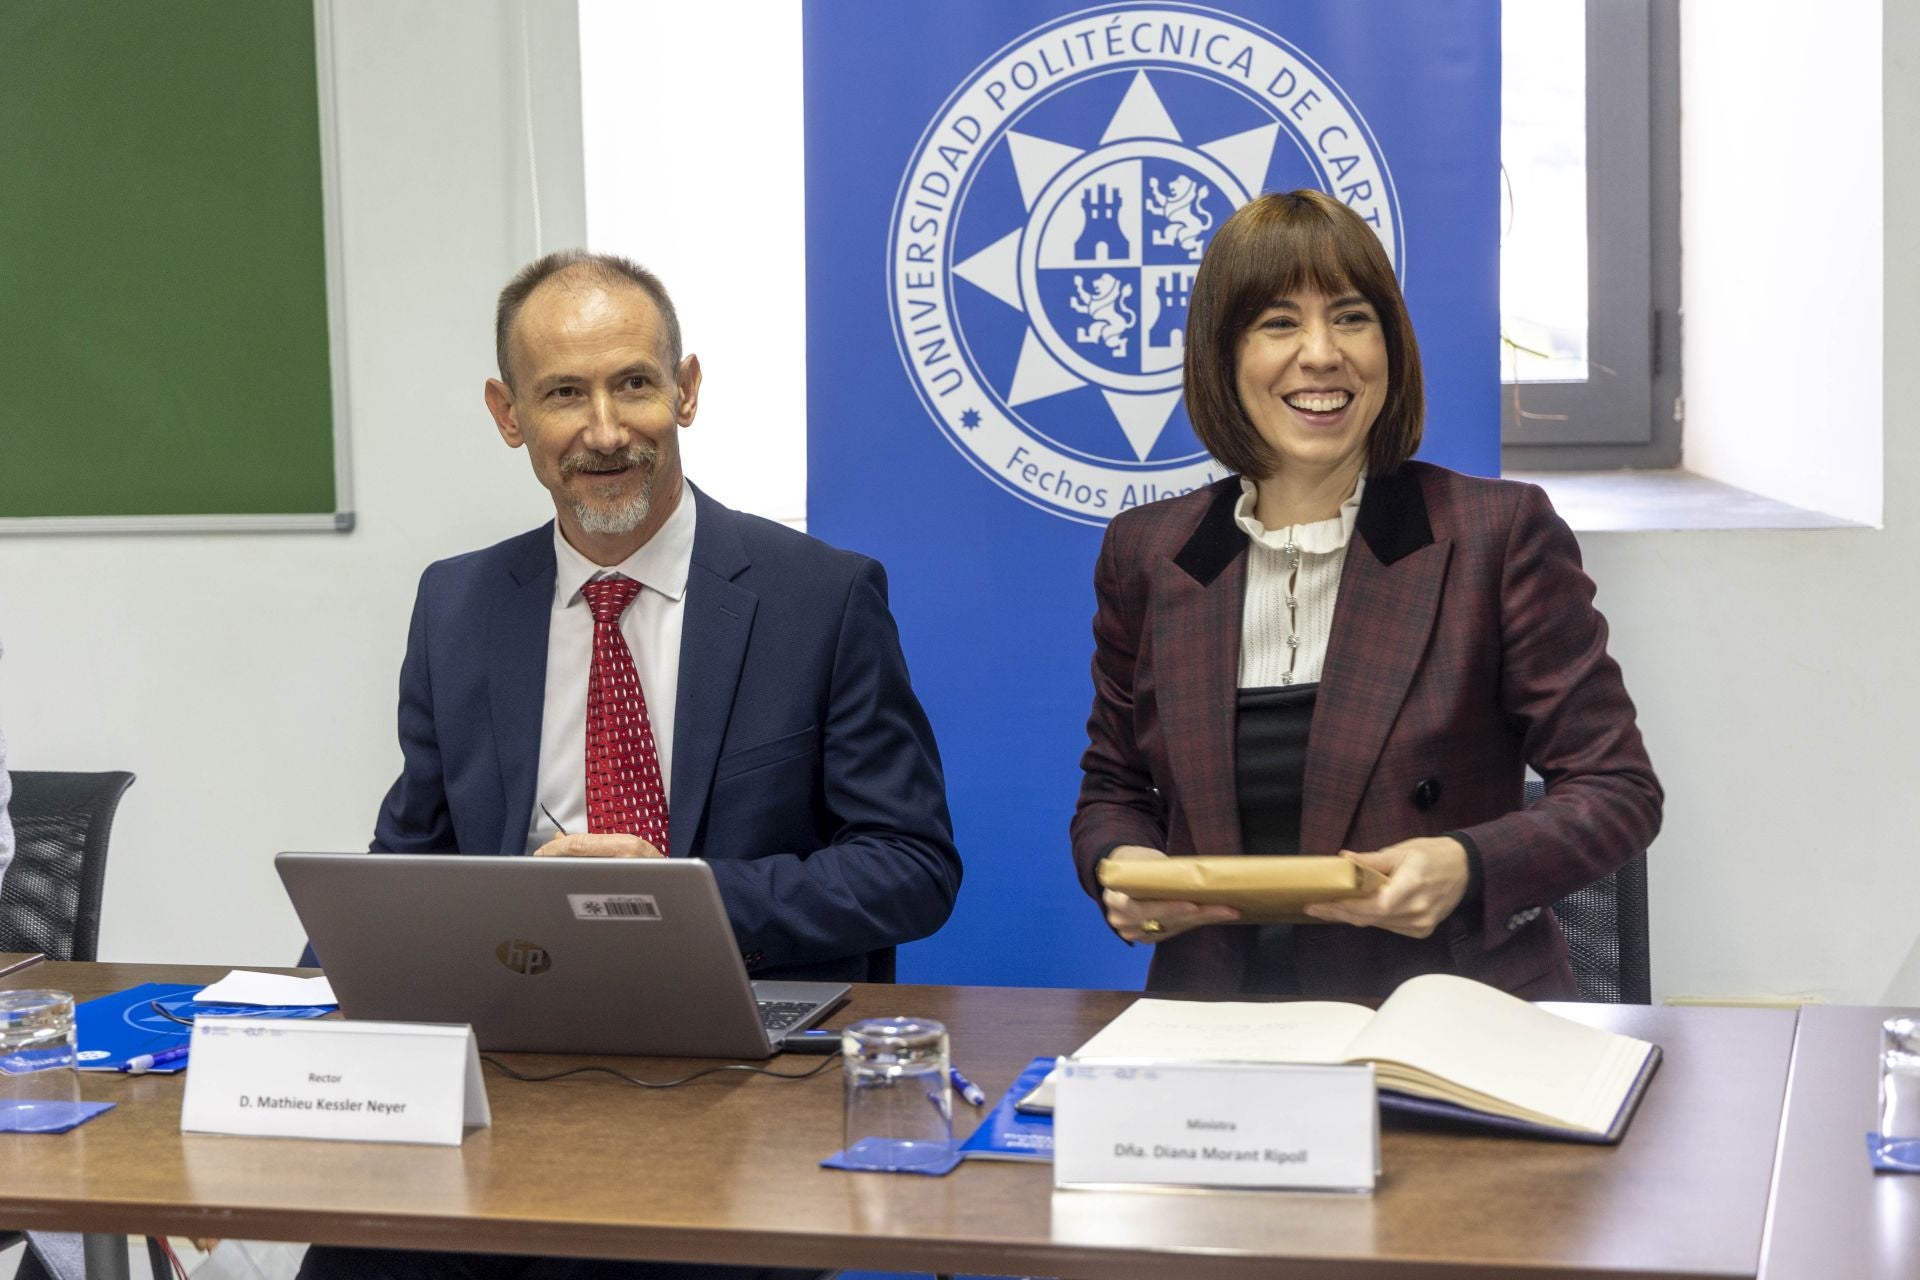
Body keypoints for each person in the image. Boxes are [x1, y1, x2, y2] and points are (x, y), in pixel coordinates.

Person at [300, 251, 961, 1280]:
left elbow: (911, 865)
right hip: (501, 1070)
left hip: (733, 1080)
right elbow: (410, 858)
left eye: (634, 384)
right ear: (508, 413)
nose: (605, 431)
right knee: (354, 1252)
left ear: (685, 390)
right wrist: (308, 995)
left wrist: (674, 901)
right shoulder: (457, 606)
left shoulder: (819, 599)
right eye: (564, 392)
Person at [1071, 190, 1660, 1000]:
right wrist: (1120, 863)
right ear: (1222, 355)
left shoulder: (1497, 535)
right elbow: (1115, 786)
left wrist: (1466, 865)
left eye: (1351, 318)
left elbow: (1618, 789)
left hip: (1443, 1015)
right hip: (1216, 1023)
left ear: (1390, 344)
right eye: (1279, 323)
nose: (1321, 354)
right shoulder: (1150, 553)